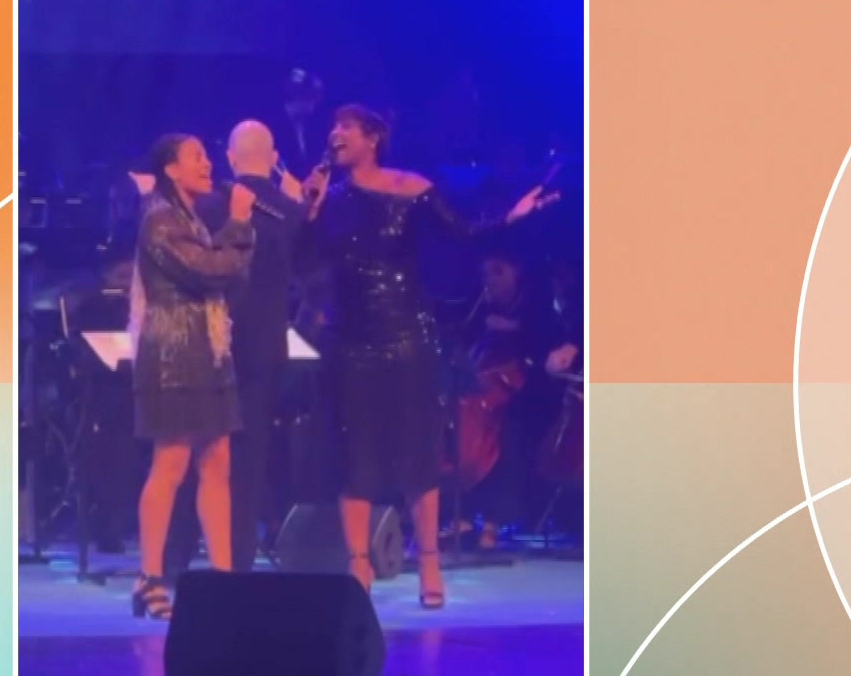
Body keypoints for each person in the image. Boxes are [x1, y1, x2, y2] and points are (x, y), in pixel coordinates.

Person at [300, 105, 557, 608]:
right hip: (351, 336)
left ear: (373, 137)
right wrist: (309, 210)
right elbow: (304, 263)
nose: (335, 134)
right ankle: (358, 562)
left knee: (418, 447)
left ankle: (430, 562)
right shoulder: (330, 198)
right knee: (356, 447)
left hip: (406, 331)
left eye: (346, 126)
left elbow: (463, 234)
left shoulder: (409, 187)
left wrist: (510, 218)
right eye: (333, 126)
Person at [165, 121, 308, 579]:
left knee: (193, 451)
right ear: (275, 158)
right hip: (264, 349)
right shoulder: (291, 212)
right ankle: (238, 563)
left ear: (229, 158)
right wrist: (298, 202)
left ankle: (174, 559)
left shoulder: (207, 205)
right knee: (249, 459)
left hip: (212, 344)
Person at [129, 133, 256, 620]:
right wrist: (239, 222)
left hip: (207, 350)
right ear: (171, 169)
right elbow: (210, 270)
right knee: (171, 462)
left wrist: (235, 232)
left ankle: (222, 577)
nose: (207, 165)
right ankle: (149, 576)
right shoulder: (160, 220)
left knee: (217, 461)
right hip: (173, 355)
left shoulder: (192, 219)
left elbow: (227, 271)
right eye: (196, 158)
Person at [458, 246, 577, 547]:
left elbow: (544, 351)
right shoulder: (480, 310)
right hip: (492, 393)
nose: (490, 281)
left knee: (511, 433)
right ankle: (462, 513)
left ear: (516, 273)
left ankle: (494, 521)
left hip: (534, 391)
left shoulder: (537, 307)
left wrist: (514, 329)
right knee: (468, 428)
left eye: (498, 272)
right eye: (486, 274)